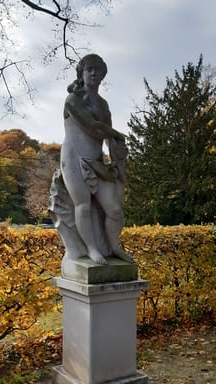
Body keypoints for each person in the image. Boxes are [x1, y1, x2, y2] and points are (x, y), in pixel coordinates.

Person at [49, 54, 133, 265]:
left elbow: (107, 139)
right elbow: (93, 128)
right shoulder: (73, 100)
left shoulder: (103, 105)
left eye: (97, 70)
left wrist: (117, 157)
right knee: (83, 206)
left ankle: (113, 246)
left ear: (103, 75)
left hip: (96, 162)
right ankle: (91, 249)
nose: (94, 73)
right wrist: (116, 134)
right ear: (82, 73)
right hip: (74, 158)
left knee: (114, 209)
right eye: (89, 69)